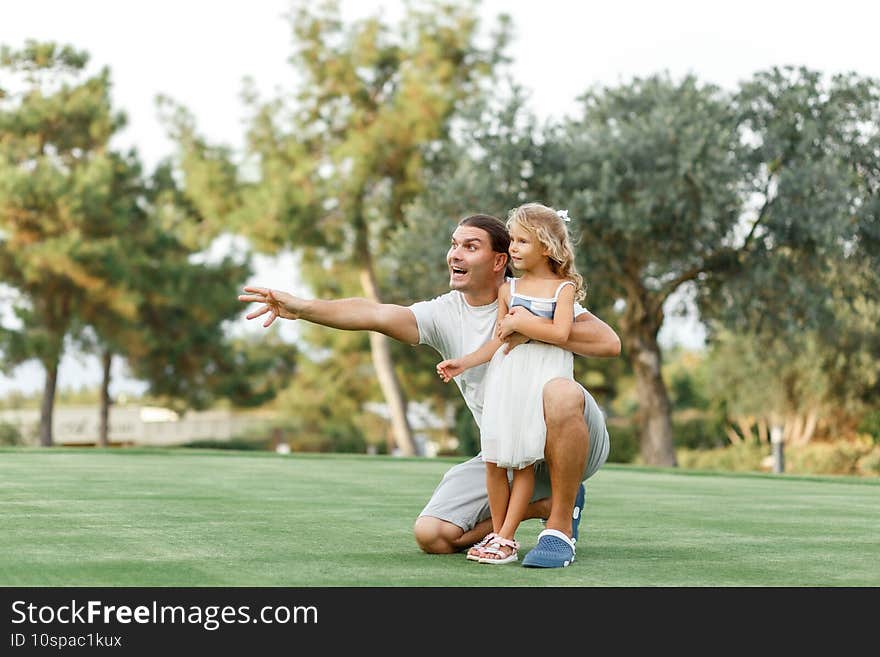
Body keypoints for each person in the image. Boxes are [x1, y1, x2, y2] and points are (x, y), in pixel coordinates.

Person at [238, 211, 620, 568]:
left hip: (569, 439)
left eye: (470, 246)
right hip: (505, 444)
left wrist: (531, 324)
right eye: (454, 244)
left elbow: (608, 343)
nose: (455, 254)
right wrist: (304, 308)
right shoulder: (444, 312)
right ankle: (541, 507)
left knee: (560, 392)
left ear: (499, 260)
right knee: (432, 535)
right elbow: (374, 313)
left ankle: (559, 528)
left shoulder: (537, 294)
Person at [435, 203, 584, 565]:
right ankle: (498, 535)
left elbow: (561, 332)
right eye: (512, 240)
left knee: (521, 462)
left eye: (522, 241)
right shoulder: (509, 288)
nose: (512, 247)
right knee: (495, 460)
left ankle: (506, 537)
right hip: (506, 379)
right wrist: (465, 361)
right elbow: (499, 338)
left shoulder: (563, 289)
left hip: (539, 380)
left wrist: (524, 324)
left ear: (547, 248)